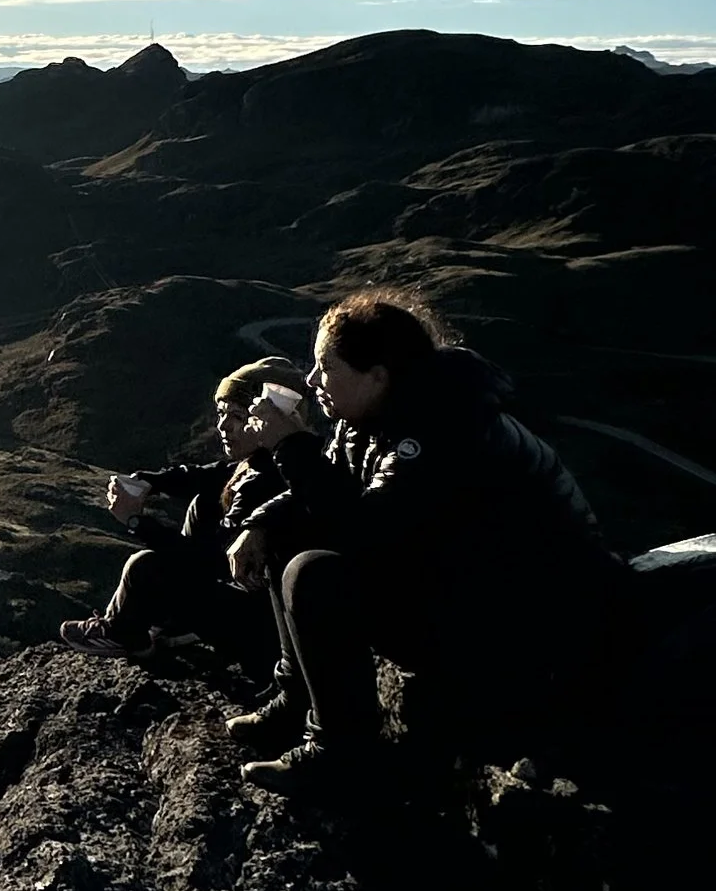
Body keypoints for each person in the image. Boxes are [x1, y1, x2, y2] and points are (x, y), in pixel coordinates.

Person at [229, 294, 622, 798]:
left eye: (326, 368)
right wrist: (260, 525)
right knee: (289, 534)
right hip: (463, 582)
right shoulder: (373, 418)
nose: (311, 381)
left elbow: (367, 531)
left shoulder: (441, 428)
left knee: (313, 574)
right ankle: (295, 699)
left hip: (527, 619)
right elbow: (334, 494)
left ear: (377, 375)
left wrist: (290, 444)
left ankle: (339, 754)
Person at [59, 358, 316, 665]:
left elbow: (207, 561)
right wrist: (151, 482)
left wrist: (136, 521)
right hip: (251, 605)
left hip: (259, 622)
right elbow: (202, 475)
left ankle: (124, 633)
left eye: (237, 416)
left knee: (145, 566)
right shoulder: (262, 461)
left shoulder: (265, 480)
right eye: (221, 413)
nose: (223, 426)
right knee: (203, 503)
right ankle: (177, 625)